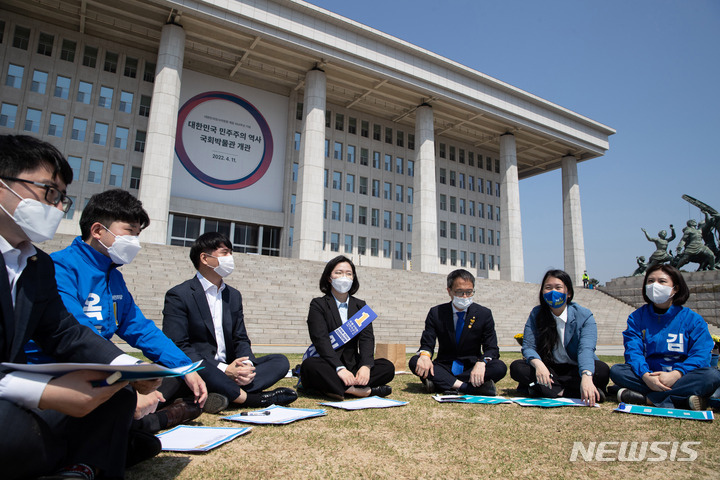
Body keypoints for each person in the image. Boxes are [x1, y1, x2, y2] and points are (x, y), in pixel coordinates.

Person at [0, 135, 137, 479]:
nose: (60, 208)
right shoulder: (63, 266)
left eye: (63, 198)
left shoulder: (37, 266)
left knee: (117, 397)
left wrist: (126, 366)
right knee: (14, 433)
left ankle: (80, 467)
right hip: (14, 398)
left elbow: (63, 330)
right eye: (50, 193)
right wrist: (44, 392)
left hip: (22, 396)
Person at [25, 189, 208, 437]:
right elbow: (76, 335)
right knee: (125, 407)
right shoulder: (60, 268)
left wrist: (184, 367)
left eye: (138, 234)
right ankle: (156, 420)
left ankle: (142, 416)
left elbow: (139, 328)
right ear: (98, 231)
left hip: (105, 370)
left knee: (169, 376)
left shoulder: (114, 276)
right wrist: (128, 380)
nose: (135, 241)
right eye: (129, 232)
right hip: (63, 374)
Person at [162, 232, 297, 409]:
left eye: (231, 253)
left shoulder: (233, 295)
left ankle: (219, 392)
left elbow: (240, 338)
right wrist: (224, 370)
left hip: (232, 367)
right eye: (225, 253)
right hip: (202, 366)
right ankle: (253, 399)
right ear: (204, 258)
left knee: (280, 361)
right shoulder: (179, 295)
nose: (230, 258)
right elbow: (179, 345)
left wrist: (245, 365)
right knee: (197, 366)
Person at [609, 264, 720, 410]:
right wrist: (646, 376)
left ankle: (647, 399)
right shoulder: (637, 317)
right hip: (649, 376)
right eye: (650, 281)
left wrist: (677, 374)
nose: (655, 285)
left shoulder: (693, 320)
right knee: (617, 371)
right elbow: (633, 351)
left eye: (662, 281)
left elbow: (701, 355)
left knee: (712, 375)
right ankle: (682, 400)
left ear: (675, 288)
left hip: (682, 377)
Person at [300, 255, 394, 400]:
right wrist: (339, 368)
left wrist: (365, 367)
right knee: (310, 366)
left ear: (353, 278)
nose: (344, 277)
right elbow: (321, 340)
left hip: (353, 365)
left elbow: (367, 339)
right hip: (329, 364)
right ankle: (359, 391)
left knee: (387, 367)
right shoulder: (318, 304)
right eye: (338, 272)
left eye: (348, 273)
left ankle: (335, 389)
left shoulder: (360, 306)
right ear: (329, 278)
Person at [509, 269, 609, 405]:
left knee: (601, 370)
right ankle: (569, 392)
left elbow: (586, 349)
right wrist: (539, 365)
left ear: (568, 293)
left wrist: (586, 376)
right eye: (548, 288)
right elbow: (528, 347)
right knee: (517, 368)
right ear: (542, 292)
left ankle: (544, 390)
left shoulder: (584, 315)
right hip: (549, 369)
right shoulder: (537, 314)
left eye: (558, 287)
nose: (552, 292)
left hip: (575, 368)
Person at [409, 269, 506, 395]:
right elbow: (427, 342)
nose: (465, 296)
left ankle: (443, 384)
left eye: (469, 292)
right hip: (445, 365)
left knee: (500, 367)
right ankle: (467, 388)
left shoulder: (484, 314)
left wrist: (482, 362)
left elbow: (492, 348)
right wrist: (425, 356)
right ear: (449, 291)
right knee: (415, 361)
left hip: (472, 367)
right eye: (460, 292)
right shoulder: (436, 313)